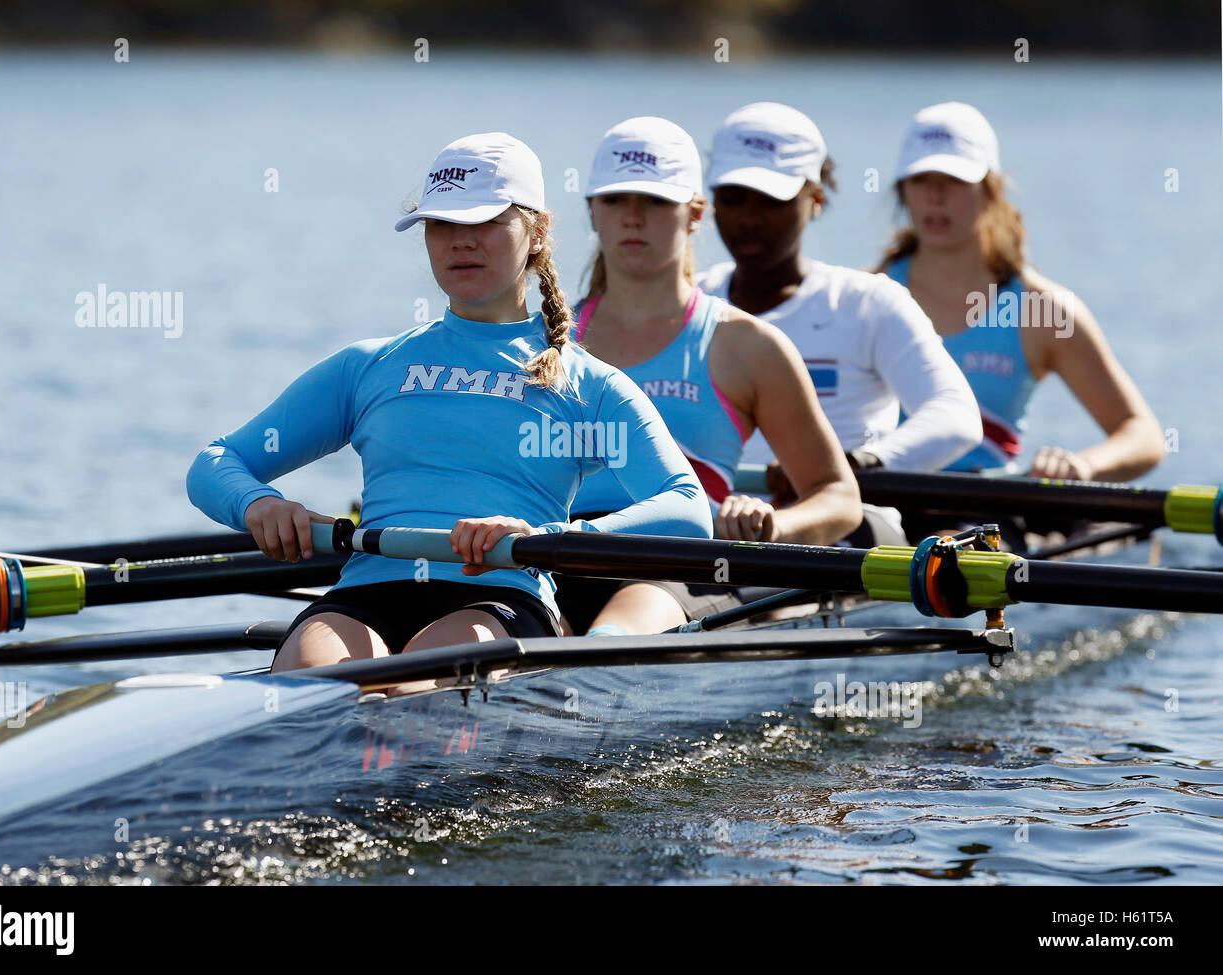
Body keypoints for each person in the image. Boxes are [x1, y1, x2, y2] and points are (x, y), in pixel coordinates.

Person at [187, 132, 713, 673]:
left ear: (537, 232)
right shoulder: (368, 366)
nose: (461, 241)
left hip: (502, 598)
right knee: (313, 683)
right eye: (443, 224)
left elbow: (689, 511)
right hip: (366, 594)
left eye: (485, 221)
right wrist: (260, 506)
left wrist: (551, 538)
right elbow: (215, 461)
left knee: (417, 682)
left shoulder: (590, 386)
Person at [555, 117, 861, 637]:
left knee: (610, 639)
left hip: (680, 567)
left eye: (655, 202)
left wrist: (770, 526)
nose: (632, 217)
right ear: (592, 212)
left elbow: (838, 496)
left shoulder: (746, 346)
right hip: (552, 556)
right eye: (614, 200)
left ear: (695, 214)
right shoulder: (543, 341)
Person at [696, 102, 982, 545]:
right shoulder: (690, 303)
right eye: (733, 199)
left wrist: (856, 463)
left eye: (771, 200)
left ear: (816, 198)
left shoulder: (868, 302)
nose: (749, 218)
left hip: (846, 527)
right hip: (715, 527)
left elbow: (956, 415)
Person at [878, 101, 1165, 481]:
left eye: (954, 179)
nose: (935, 195)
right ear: (903, 191)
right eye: (920, 179)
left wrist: (1082, 466)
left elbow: (1143, 436)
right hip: (879, 499)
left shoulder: (1042, 311)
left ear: (990, 191)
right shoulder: (863, 298)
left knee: (947, 540)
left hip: (985, 512)